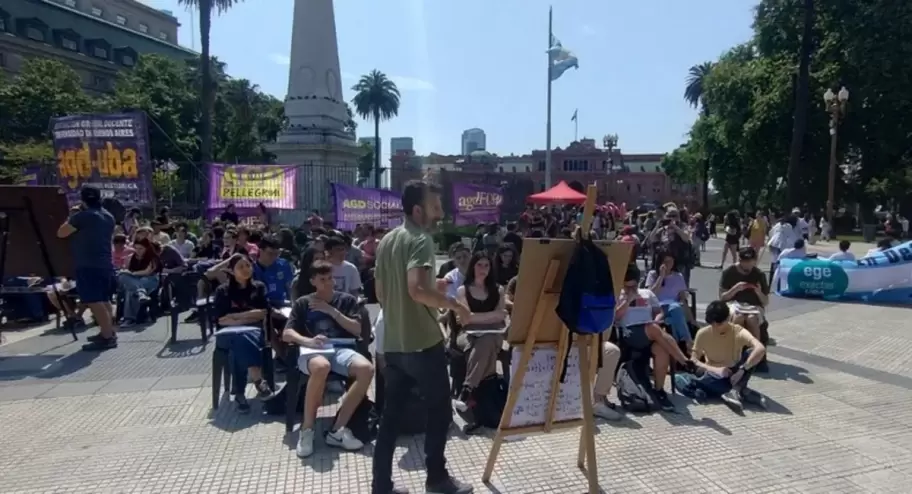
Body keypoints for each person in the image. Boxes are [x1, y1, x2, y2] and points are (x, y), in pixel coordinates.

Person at [372, 180, 473, 494]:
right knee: (440, 411)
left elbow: (382, 292)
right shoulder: (420, 240)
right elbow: (416, 290)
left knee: (390, 417)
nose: (440, 213)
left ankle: (381, 486)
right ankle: (437, 480)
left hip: (393, 343)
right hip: (422, 343)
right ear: (418, 210)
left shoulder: (387, 241)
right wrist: (454, 304)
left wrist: (434, 293)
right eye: (435, 207)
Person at [283, 260, 374, 457]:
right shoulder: (303, 302)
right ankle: (307, 431)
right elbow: (287, 333)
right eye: (322, 279)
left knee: (366, 369)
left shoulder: (347, 300)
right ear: (313, 281)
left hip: (341, 348)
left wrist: (331, 310)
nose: (328, 283)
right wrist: (307, 341)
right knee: (321, 366)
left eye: (330, 278)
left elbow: (357, 330)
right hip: (313, 350)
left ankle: (337, 430)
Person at [451, 252, 507, 433]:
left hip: (493, 334)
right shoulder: (462, 290)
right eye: (479, 265)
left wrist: (476, 317)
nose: (483, 269)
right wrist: (490, 316)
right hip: (467, 334)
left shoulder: (498, 290)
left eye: (487, 265)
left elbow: (502, 316)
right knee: (486, 346)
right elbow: (466, 321)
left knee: (487, 340)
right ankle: (482, 407)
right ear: (473, 267)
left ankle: (467, 391)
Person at [56, 187, 117, 351]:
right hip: (105, 263)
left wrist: (72, 215)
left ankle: (107, 337)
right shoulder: (108, 216)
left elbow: (61, 233)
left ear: (82, 200)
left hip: (88, 264)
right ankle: (108, 331)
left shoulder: (82, 217)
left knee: (94, 301)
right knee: (104, 300)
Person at [212, 254, 275, 413]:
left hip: (254, 333)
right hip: (227, 334)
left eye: (248, 265)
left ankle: (239, 393)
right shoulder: (223, 291)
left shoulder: (258, 287)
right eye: (240, 267)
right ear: (232, 271)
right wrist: (247, 317)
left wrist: (237, 316)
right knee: (238, 338)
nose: (246, 269)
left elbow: (262, 312)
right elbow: (220, 320)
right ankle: (258, 380)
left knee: (240, 342)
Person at [690, 301, 767, 410]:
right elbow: (694, 360)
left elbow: (760, 348)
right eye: (713, 324)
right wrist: (716, 370)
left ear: (728, 318)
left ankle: (733, 390)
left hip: (734, 373)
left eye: (720, 324)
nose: (716, 327)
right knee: (700, 376)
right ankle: (741, 391)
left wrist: (742, 370)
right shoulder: (702, 333)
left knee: (751, 353)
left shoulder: (737, 331)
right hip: (713, 372)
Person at [116, 237, 161, 328]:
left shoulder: (153, 257)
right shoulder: (131, 257)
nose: (138, 251)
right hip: (135, 280)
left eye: (140, 248)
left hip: (150, 280)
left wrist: (132, 273)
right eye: (136, 248)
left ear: (147, 248)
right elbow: (126, 269)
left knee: (130, 290)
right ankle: (141, 294)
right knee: (122, 276)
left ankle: (129, 319)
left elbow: (147, 272)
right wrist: (126, 271)